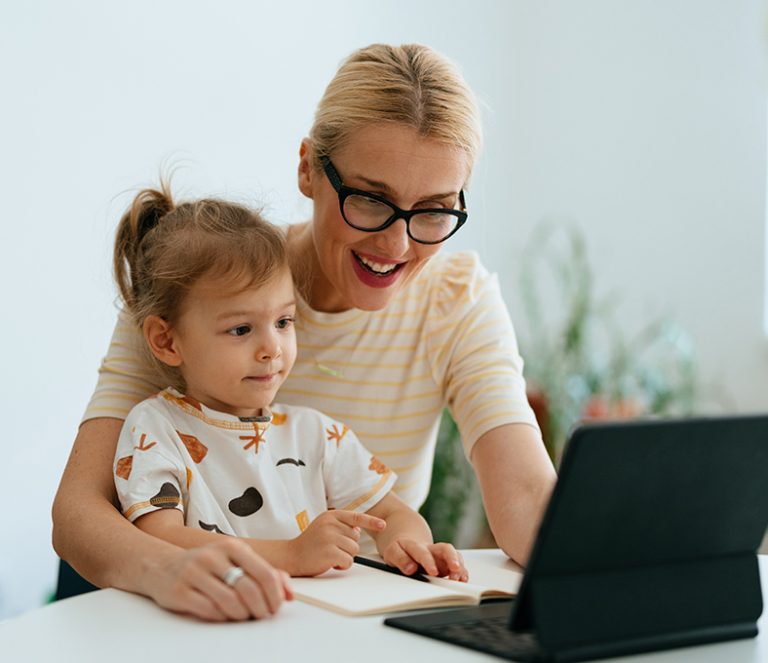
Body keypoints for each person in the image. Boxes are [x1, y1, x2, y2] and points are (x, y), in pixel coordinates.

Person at [53, 43, 557, 621]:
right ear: (308, 168)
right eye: (370, 200)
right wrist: (165, 567)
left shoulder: (457, 301)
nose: (396, 246)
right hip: (151, 607)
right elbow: (76, 513)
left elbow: (524, 496)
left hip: (321, 622)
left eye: (434, 210)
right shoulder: (202, 277)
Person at [110, 183, 467, 594]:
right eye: (241, 329)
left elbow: (393, 514)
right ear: (167, 341)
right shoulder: (155, 427)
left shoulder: (317, 436)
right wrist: (291, 555)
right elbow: (160, 539)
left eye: (283, 322)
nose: (271, 350)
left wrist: (411, 546)